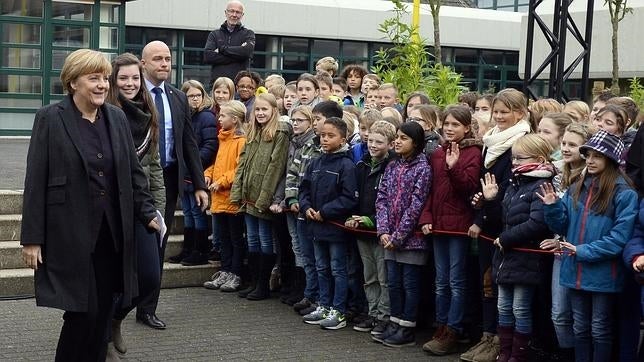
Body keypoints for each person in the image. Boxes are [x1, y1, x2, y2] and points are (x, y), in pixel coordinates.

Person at [20, 49, 160, 361]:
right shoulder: (50, 119)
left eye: (104, 78)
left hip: (111, 234)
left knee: (101, 312)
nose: (102, 85)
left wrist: (148, 212)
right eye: (93, 78)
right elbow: (35, 181)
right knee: (83, 311)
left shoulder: (117, 117)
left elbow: (133, 173)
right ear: (73, 83)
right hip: (69, 233)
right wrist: (32, 237)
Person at [539, 130, 638, 362]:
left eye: (598, 156)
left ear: (611, 160)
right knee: (580, 328)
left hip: (603, 273)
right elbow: (562, 224)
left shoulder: (624, 193)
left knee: (600, 328)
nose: (590, 160)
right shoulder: (577, 187)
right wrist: (553, 207)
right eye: (588, 155)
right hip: (575, 269)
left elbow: (619, 238)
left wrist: (582, 251)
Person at [138, 40, 208, 330]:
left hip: (167, 180)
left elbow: (189, 143)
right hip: (134, 180)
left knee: (159, 243)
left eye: (167, 58)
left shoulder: (178, 97)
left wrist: (200, 184)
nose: (164, 63)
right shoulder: (130, 92)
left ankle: (147, 308)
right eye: (157, 59)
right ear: (144, 64)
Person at [463, 88, 531, 362]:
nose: (500, 117)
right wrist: (479, 202)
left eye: (506, 112)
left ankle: (500, 344)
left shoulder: (521, 142)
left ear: (520, 113)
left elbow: (506, 186)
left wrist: (483, 212)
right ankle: (487, 336)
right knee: (486, 285)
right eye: (497, 112)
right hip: (488, 218)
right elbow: (485, 182)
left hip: (504, 224)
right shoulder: (490, 141)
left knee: (501, 289)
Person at [105, 52, 166, 357]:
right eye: (123, 78)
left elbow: (153, 167)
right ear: (113, 81)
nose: (129, 83)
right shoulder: (106, 112)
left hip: (141, 207)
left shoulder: (148, 113)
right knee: (112, 278)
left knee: (149, 276)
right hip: (111, 208)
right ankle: (103, 336)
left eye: (134, 78)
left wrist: (158, 209)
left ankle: (116, 318)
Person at [481, 134, 555, 362]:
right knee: (503, 307)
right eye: (514, 158)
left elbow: (537, 223)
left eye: (520, 159)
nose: (514, 163)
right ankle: (504, 352)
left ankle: (519, 355)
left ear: (539, 158)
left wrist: (506, 238)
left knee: (520, 309)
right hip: (506, 259)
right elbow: (502, 219)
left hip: (526, 259)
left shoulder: (541, 185)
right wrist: (491, 200)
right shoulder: (515, 183)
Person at [420, 106, 482, 356]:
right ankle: (442, 324)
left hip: (459, 226)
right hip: (439, 224)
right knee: (441, 281)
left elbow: (468, 188)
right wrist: (426, 216)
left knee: (456, 281)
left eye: (456, 124)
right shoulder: (437, 153)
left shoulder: (474, 153)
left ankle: (454, 329)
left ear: (467, 127)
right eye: (447, 123)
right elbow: (431, 190)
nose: (449, 128)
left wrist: (454, 167)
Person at [540, 123, 596, 361]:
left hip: (582, 251)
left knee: (582, 316)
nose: (565, 148)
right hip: (560, 252)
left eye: (572, 145)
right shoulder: (557, 174)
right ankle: (566, 353)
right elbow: (558, 220)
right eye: (564, 143)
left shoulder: (592, 178)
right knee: (559, 313)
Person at [373, 122, 432, 347]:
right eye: (397, 137)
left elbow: (417, 204)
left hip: (412, 240)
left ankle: (407, 328)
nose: (397, 141)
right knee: (393, 283)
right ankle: (394, 322)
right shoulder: (392, 166)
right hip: (389, 238)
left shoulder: (423, 168)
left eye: (403, 138)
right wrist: (384, 231)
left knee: (410, 284)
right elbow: (383, 199)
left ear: (415, 143)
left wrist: (399, 236)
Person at [299, 117, 359, 330]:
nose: (324, 139)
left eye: (330, 136)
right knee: (321, 267)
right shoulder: (315, 162)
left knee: (337, 269)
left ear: (343, 139)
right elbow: (303, 188)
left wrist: (325, 212)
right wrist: (306, 207)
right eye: (322, 135)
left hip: (335, 227)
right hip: (315, 225)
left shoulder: (347, 165)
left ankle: (339, 310)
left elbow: (349, 197)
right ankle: (324, 304)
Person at [230, 93, 290, 301]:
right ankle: (254, 282)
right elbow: (243, 163)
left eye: (265, 109)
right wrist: (237, 191)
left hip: (263, 195)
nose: (261, 113)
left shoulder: (280, 132)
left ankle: (263, 285)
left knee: (265, 240)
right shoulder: (253, 132)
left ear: (274, 110)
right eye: (257, 109)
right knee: (252, 239)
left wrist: (265, 198)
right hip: (249, 194)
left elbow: (276, 167)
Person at [347, 120, 397, 333]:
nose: (373, 145)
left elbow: (391, 203)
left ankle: (384, 316)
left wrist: (373, 220)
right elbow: (355, 196)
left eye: (379, 141)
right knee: (369, 277)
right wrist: (352, 217)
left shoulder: (393, 167)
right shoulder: (362, 165)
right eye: (371, 141)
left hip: (380, 230)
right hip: (362, 231)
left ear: (390, 144)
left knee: (383, 277)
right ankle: (372, 312)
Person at [170, 80, 218, 266]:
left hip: (197, 170)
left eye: (198, 95)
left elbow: (210, 146)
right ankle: (188, 249)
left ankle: (200, 251)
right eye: (190, 96)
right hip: (185, 172)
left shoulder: (206, 117)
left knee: (198, 213)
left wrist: (193, 163)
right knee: (188, 212)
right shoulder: (185, 115)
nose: (195, 99)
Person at [203, 100, 247, 292]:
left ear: (235, 119)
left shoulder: (241, 141)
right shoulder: (222, 139)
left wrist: (221, 181)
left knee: (235, 238)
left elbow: (238, 169)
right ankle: (225, 270)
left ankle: (236, 274)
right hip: (218, 197)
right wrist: (207, 174)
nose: (219, 119)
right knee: (223, 239)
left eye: (222, 116)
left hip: (232, 198)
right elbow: (217, 163)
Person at [204, 0, 255, 87]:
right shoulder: (214, 34)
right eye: (231, 11)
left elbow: (247, 52)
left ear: (242, 15)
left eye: (238, 12)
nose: (234, 15)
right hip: (217, 87)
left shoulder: (248, 34)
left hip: (239, 88)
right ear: (226, 13)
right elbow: (208, 56)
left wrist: (221, 49)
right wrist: (239, 57)